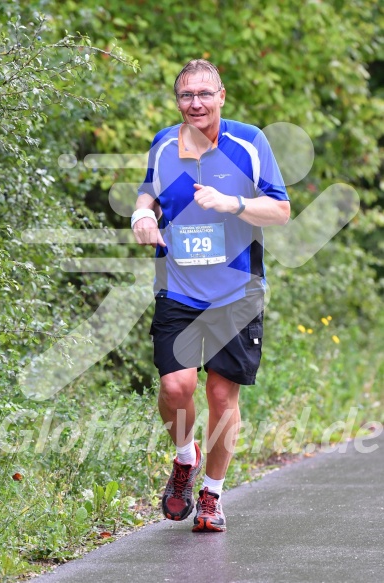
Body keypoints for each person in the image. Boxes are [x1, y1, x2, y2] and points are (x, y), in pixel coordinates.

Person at [132, 59, 290, 532]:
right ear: (177, 100)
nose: (195, 103)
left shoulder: (249, 142)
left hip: (235, 294)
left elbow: (280, 210)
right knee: (175, 387)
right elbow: (149, 194)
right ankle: (185, 459)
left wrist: (233, 203)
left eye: (204, 94)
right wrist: (142, 216)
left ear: (222, 95)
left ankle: (212, 495)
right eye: (186, 95)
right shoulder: (164, 143)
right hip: (178, 288)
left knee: (223, 397)